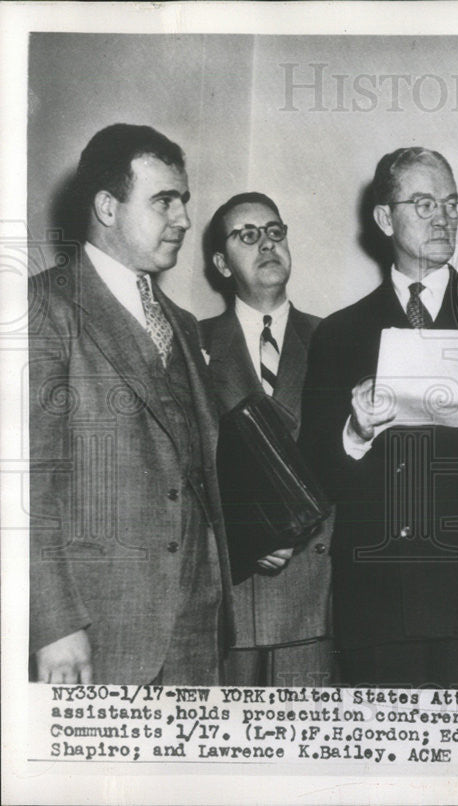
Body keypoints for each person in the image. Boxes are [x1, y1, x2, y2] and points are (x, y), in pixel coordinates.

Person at [299, 147, 458, 689]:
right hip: (377, 604)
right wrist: (355, 433)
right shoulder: (338, 334)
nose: (442, 216)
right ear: (383, 218)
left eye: (450, 202)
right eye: (422, 203)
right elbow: (315, 472)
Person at [29, 124, 231, 685]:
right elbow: (25, 488)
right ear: (107, 207)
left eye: (184, 201)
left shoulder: (185, 326)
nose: (184, 219)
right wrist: (51, 625)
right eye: (164, 200)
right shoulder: (44, 307)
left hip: (197, 633)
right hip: (99, 634)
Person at [200, 192, 337, 687]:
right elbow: (186, 473)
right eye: (248, 235)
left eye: (275, 231)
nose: (266, 244)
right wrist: (242, 537)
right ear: (220, 262)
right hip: (230, 599)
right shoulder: (193, 345)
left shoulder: (335, 339)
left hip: (316, 602)